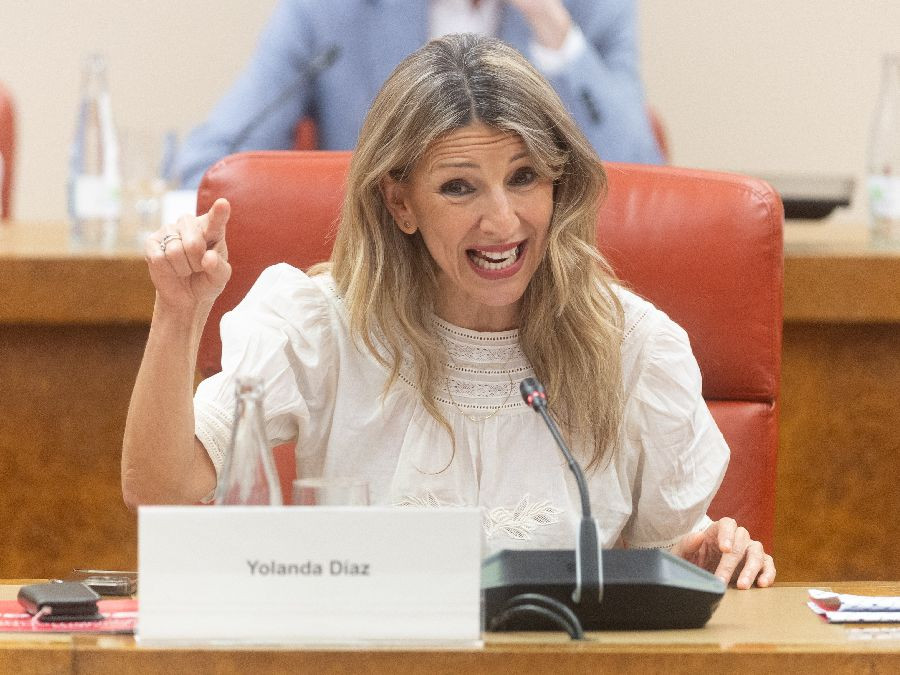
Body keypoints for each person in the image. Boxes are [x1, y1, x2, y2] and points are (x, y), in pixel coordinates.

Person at [123, 33, 774, 589]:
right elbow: (161, 489)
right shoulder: (320, 325)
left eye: (523, 177)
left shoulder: (630, 344)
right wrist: (178, 315)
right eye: (459, 187)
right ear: (401, 203)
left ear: (559, 182)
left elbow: (664, 557)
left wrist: (702, 556)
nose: (502, 221)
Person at [173, 0, 664, 187]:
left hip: (533, 288)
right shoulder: (328, 10)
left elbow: (641, 176)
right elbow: (209, 165)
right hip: (372, 284)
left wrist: (552, 25)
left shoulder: (592, 6)